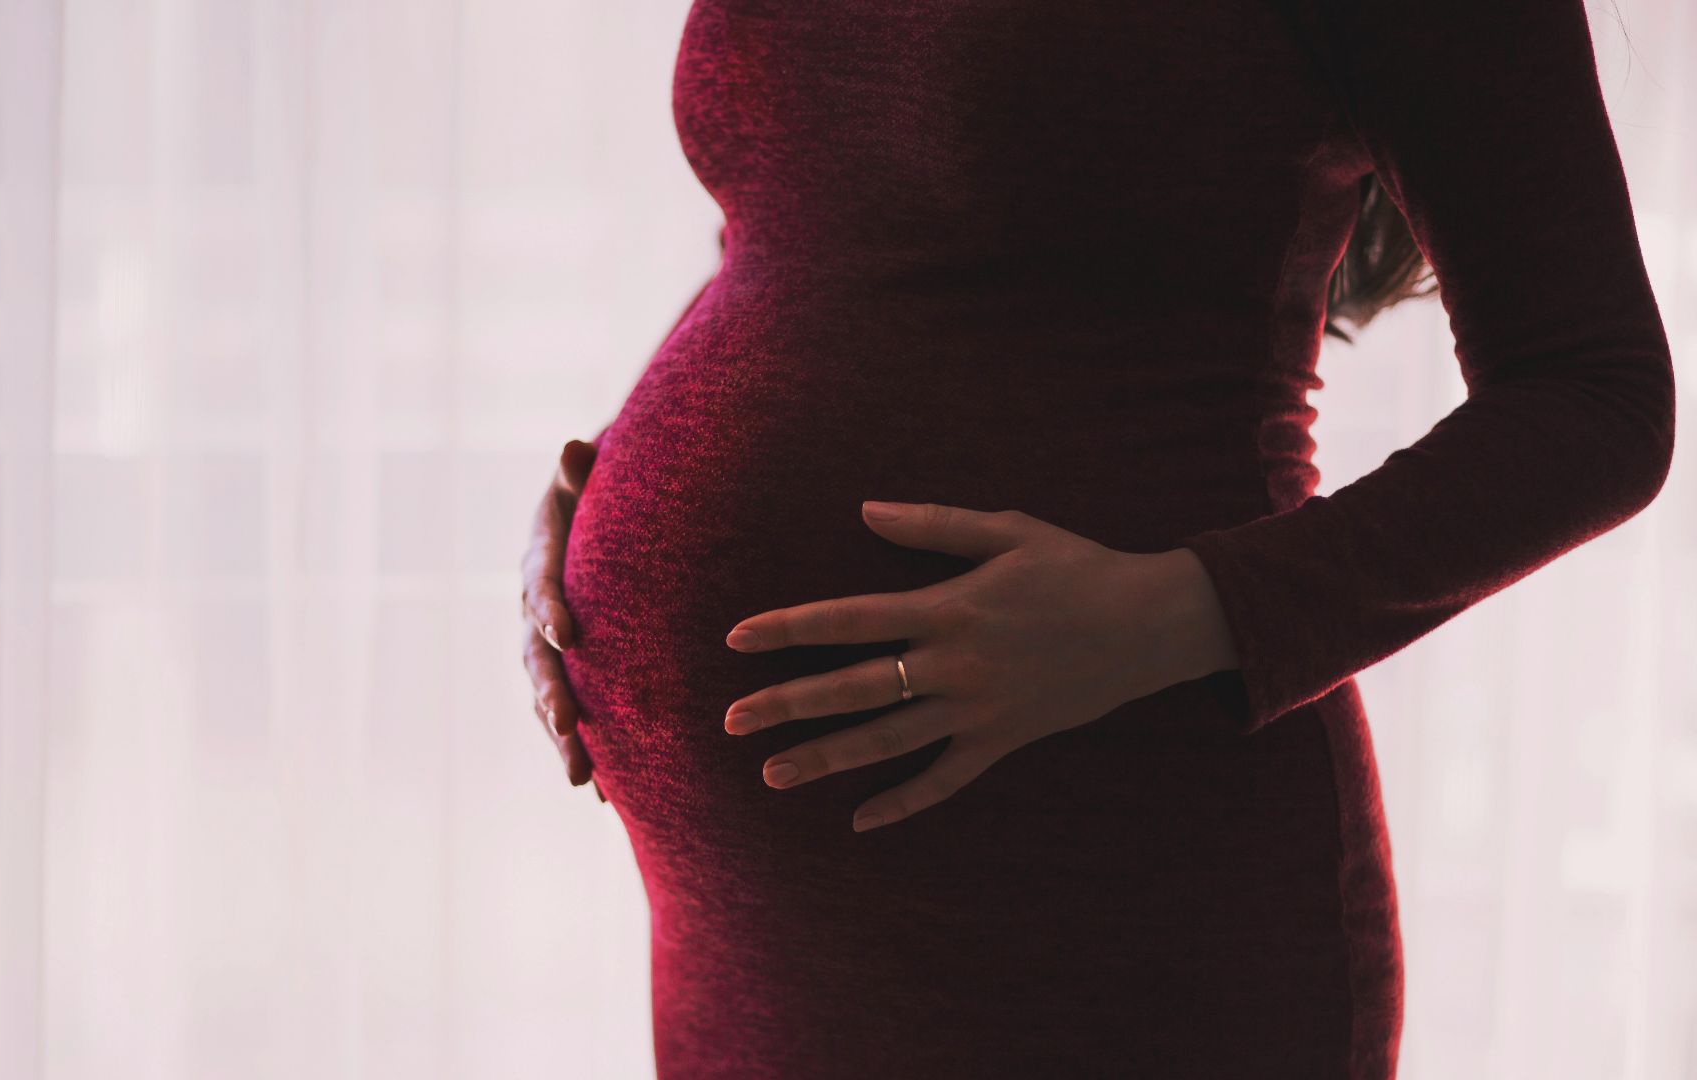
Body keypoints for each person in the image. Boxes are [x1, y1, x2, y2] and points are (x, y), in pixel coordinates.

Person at [517, 0, 1675, 1075]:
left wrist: (1174, 613)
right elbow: (803, 236)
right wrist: (611, 483)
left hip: (1105, 886)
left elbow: (1597, 399)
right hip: (746, 946)